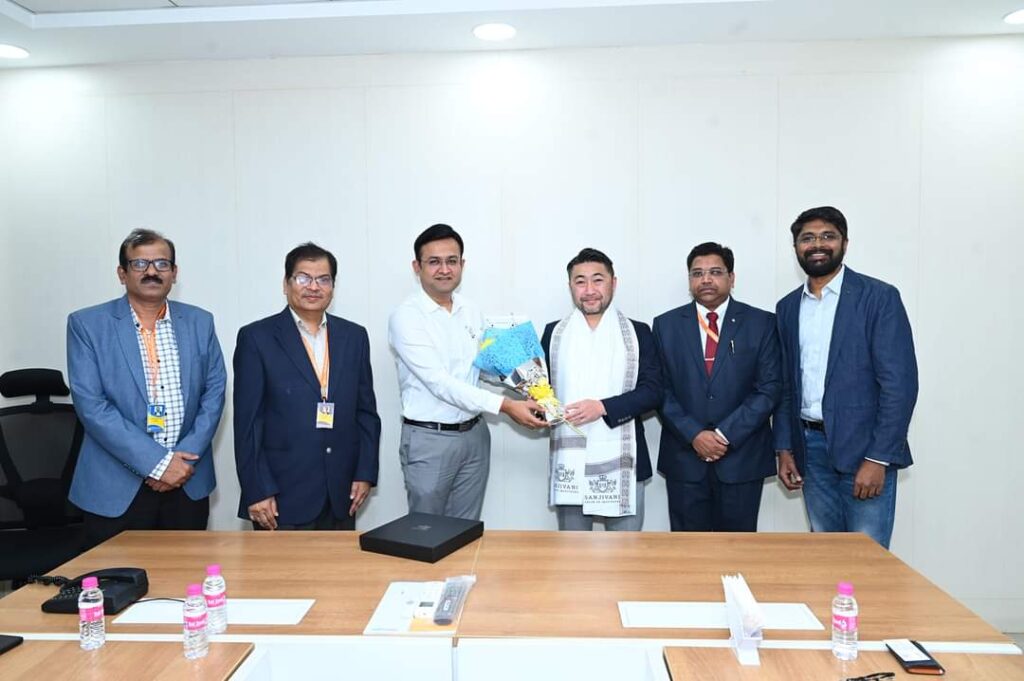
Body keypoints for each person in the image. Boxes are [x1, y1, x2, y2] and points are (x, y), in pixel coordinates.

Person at [67, 228, 226, 547]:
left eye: (162, 264)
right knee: (117, 577)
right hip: (116, 485)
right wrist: (158, 463)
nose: (152, 271)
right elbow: (92, 406)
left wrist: (181, 464)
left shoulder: (200, 322)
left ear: (174, 273)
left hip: (186, 481)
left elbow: (214, 392)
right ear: (122, 273)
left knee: (186, 575)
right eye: (140, 263)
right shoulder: (87, 324)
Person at [774, 206, 918, 548]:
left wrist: (878, 458)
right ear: (796, 248)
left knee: (866, 556)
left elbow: (899, 385)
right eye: (808, 238)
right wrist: (784, 447)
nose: (817, 245)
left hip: (864, 448)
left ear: (845, 244)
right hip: (809, 450)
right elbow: (785, 385)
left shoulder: (879, 298)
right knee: (825, 552)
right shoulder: (788, 307)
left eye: (828, 236)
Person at [388, 223, 546, 520]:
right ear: (417, 267)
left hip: (475, 435)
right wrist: (506, 405)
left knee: (466, 529)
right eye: (434, 262)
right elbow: (439, 382)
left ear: (462, 264)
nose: (444, 269)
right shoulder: (406, 317)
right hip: (430, 438)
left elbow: (482, 368)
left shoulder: (470, 310)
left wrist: (527, 381)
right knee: (426, 531)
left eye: (452, 261)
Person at [234, 243, 380, 531]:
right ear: (286, 284)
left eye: (323, 279)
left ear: (333, 287)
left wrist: (365, 472)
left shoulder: (354, 336)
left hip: (341, 493)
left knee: (340, 563)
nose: (314, 287)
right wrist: (257, 489)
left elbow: (366, 413)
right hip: (280, 497)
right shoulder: (257, 338)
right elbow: (248, 424)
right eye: (303, 278)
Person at [653, 242, 781, 532]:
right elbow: (660, 389)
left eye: (715, 272)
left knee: (737, 549)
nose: (706, 279)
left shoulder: (761, 323)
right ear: (689, 280)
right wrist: (694, 434)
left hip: (742, 458)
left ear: (731, 278)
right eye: (697, 273)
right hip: (685, 459)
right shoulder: (666, 325)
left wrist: (724, 435)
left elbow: (769, 387)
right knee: (688, 551)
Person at [540, 248, 662, 531]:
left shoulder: (638, 332)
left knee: (626, 551)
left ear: (613, 283)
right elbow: (540, 390)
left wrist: (603, 407)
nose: (589, 290)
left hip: (625, 462)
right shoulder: (554, 333)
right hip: (570, 463)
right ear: (570, 286)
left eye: (598, 280)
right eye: (580, 281)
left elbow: (654, 391)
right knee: (572, 552)